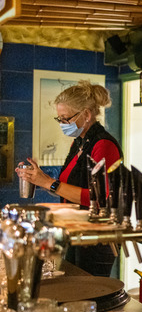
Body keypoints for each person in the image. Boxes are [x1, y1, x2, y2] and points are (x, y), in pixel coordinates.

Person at [16, 81, 123, 277]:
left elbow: (99, 198)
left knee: (89, 297)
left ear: (87, 114)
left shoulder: (103, 145)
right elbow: (68, 187)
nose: (63, 124)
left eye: (66, 118)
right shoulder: (80, 142)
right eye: (60, 119)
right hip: (77, 233)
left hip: (97, 239)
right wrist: (40, 179)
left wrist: (50, 183)